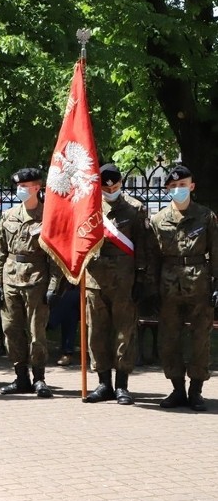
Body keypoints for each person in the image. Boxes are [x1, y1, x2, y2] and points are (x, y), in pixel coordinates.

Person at [148, 165, 218, 411]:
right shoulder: (158, 220)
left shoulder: (206, 216)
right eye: (174, 186)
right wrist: (152, 288)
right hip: (168, 286)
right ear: (167, 189)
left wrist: (216, 284)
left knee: (200, 339)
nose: (178, 189)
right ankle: (177, 388)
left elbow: (216, 252)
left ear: (192, 186)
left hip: (200, 284)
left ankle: (196, 390)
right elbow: (153, 258)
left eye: (183, 184)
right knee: (169, 340)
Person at [0, 168, 59, 397]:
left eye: (25, 186)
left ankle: (39, 378)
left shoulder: (47, 216)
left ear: (37, 188)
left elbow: (54, 256)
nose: (20, 190)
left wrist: (53, 286)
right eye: (18, 186)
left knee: (36, 332)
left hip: (36, 279)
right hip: (10, 279)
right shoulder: (9, 215)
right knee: (11, 329)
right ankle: (21, 377)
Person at [83, 164, 148, 405]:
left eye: (115, 185)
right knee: (96, 333)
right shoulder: (88, 208)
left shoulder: (134, 209)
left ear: (121, 183)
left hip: (124, 281)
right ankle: (103, 384)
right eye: (105, 185)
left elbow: (143, 247)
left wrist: (141, 278)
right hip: (95, 281)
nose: (110, 189)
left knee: (124, 333)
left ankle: (122, 385)